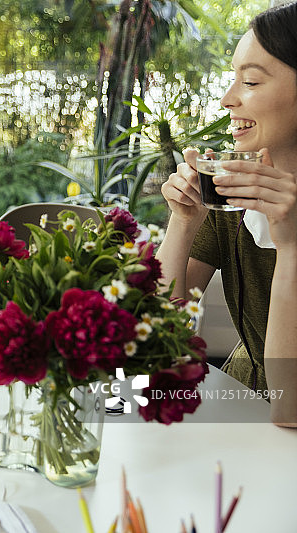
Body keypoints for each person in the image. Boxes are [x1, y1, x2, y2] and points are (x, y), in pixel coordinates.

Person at [156, 2, 297, 426]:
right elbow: (154, 338)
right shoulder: (234, 191)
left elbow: (290, 408)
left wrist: (291, 249)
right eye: (232, 78)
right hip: (242, 404)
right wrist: (183, 222)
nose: (227, 99)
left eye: (250, 81)